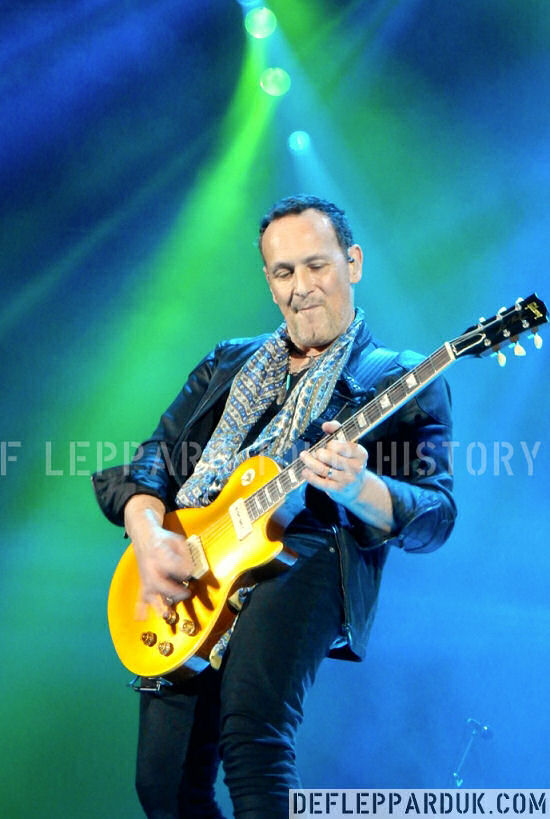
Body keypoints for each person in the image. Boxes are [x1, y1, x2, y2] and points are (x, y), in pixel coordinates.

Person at [92, 194, 457, 818]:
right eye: (284, 272)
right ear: (268, 281)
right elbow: (153, 461)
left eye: (317, 266)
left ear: (353, 262)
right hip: (198, 558)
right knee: (163, 786)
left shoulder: (398, 378)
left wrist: (358, 488)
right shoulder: (228, 361)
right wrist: (151, 539)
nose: (301, 287)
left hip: (306, 551)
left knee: (252, 741)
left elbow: (437, 516)